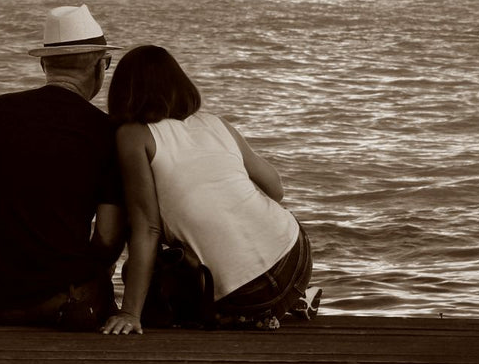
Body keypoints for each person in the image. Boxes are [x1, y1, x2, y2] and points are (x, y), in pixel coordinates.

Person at [100, 45, 317, 335]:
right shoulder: (215, 123)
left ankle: (246, 313)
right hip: (296, 257)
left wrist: (130, 312)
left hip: (243, 293)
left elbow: (147, 227)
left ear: (124, 92)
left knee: (150, 279)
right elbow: (276, 189)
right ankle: (289, 300)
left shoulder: (132, 136)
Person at [0, 5, 126, 330]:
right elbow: (109, 236)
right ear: (104, 64)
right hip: (56, 304)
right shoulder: (106, 131)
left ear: (44, 63)